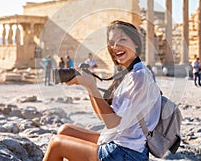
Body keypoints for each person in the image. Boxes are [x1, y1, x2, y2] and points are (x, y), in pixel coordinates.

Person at [43, 20, 161, 161]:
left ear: (136, 43)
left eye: (122, 39)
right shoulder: (130, 73)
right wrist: (88, 85)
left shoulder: (139, 76)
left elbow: (112, 122)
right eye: (112, 42)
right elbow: (104, 117)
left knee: (57, 144)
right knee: (65, 130)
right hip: (121, 141)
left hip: (128, 153)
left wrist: (92, 86)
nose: (116, 46)